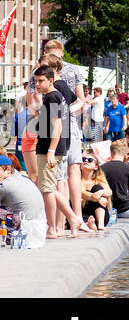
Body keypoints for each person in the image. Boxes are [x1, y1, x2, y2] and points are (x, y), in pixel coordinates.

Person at [33, 63, 86, 239]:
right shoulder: (53, 97)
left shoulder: (53, 97)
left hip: (50, 148)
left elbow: (57, 126)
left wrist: (50, 151)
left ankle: (53, 227)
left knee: (47, 188)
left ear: (51, 80)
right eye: (35, 81)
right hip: (51, 146)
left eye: (41, 81)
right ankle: (72, 218)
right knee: (48, 187)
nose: (37, 84)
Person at [0, 155, 48, 248]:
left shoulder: (4, 185)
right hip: (40, 231)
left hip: (23, 235)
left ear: (8, 169)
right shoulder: (25, 179)